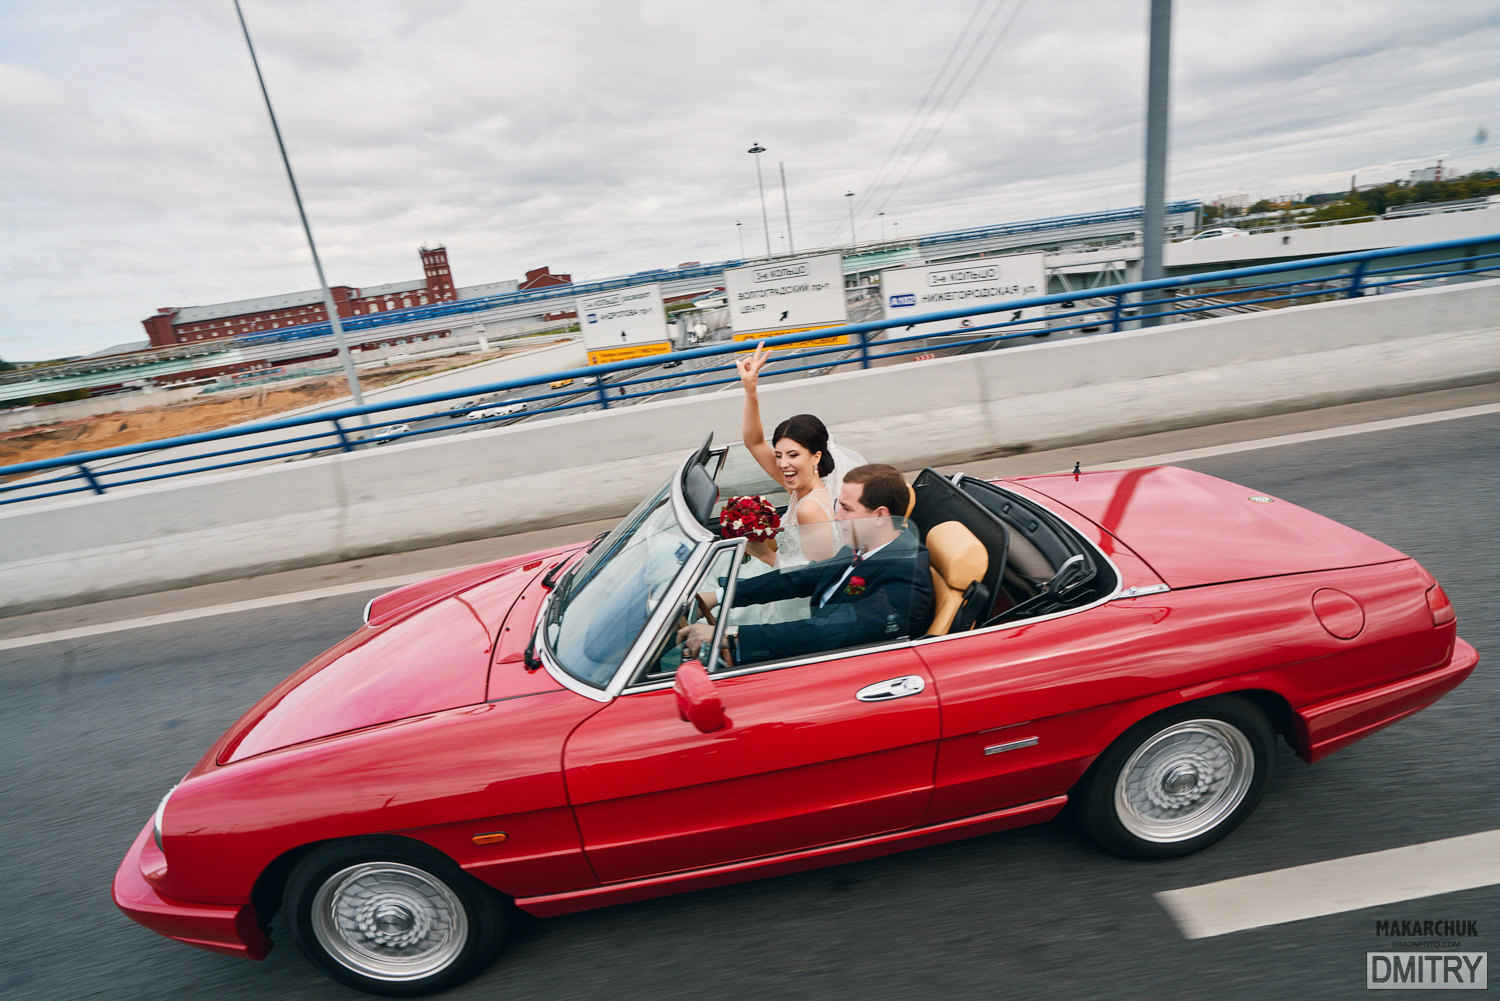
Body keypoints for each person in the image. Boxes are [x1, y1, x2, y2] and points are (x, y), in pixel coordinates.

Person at [682, 464, 934, 664]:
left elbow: (823, 632)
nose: (837, 516)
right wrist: (719, 595)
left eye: (847, 509)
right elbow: (802, 578)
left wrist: (728, 636)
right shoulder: (865, 543)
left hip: (826, 667)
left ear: (879, 515)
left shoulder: (906, 580)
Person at [736, 341, 865, 566]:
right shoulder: (799, 488)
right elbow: (754, 442)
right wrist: (750, 388)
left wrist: (761, 553)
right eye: (778, 455)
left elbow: (815, 576)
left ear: (815, 456)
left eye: (793, 455)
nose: (783, 463)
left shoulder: (810, 507)